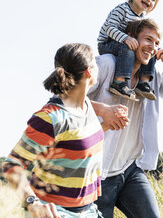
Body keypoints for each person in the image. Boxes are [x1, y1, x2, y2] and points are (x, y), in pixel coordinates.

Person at [88, 18, 163, 218]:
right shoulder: (106, 64)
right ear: (131, 39)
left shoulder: (151, 76)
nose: (152, 47)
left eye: (156, 42)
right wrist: (102, 110)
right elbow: (65, 100)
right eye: (147, 39)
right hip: (94, 174)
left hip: (129, 170)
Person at [2, 43, 118, 218]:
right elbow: (12, 165)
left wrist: (108, 124)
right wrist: (32, 204)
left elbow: (74, 143)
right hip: (54, 212)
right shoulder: (50, 118)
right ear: (89, 71)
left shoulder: (86, 105)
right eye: (96, 63)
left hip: (88, 210)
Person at [97, 0, 160, 101]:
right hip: (107, 43)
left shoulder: (142, 18)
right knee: (128, 49)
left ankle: (143, 82)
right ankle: (119, 82)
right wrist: (125, 38)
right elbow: (110, 28)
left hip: (125, 43)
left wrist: (156, 48)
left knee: (150, 51)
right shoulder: (122, 9)